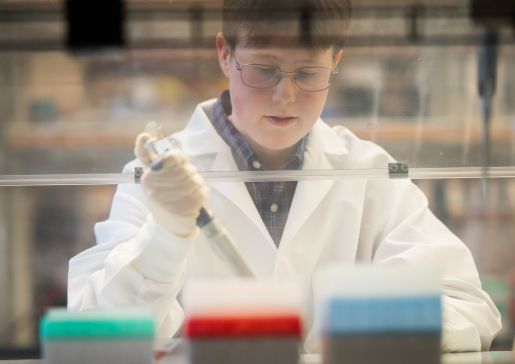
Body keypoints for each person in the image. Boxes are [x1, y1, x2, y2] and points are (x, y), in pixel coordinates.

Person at [68, 0, 501, 353]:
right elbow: (96, 334)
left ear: (336, 62)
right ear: (225, 53)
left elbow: (470, 308)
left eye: (309, 73)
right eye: (264, 69)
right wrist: (165, 236)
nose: (285, 95)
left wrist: (353, 328)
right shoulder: (158, 181)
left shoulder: (368, 173)